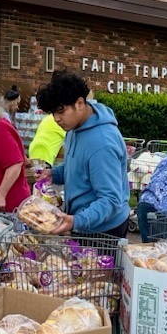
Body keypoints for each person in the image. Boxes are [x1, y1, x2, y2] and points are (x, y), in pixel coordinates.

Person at [36, 72, 129, 237]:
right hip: (82, 222)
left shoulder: (102, 143)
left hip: (104, 230)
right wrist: (53, 174)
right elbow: (78, 167)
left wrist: (76, 221)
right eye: (53, 113)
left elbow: (110, 200)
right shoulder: (74, 128)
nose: (56, 119)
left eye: (61, 111)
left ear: (79, 103)